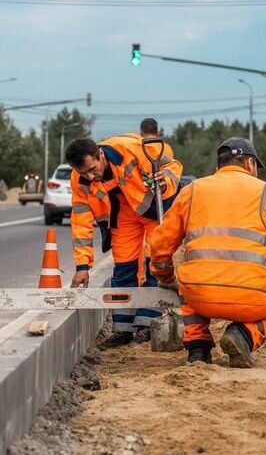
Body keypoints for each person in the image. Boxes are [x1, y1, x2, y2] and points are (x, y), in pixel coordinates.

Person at [149, 137, 266, 367]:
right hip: (252, 296)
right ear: (250, 164)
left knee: (188, 290)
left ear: (219, 166)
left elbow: (159, 245)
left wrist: (166, 277)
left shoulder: (192, 191)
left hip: (200, 295)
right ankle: (243, 335)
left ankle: (198, 350)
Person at [66, 126, 183, 349]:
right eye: (84, 173)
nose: (91, 176)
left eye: (93, 169)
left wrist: (165, 178)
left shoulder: (130, 149)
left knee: (153, 264)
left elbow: (172, 164)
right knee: (124, 268)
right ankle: (124, 329)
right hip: (122, 215)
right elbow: (80, 223)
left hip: (151, 209)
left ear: (100, 154)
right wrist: (83, 265)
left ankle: (147, 325)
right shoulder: (79, 181)